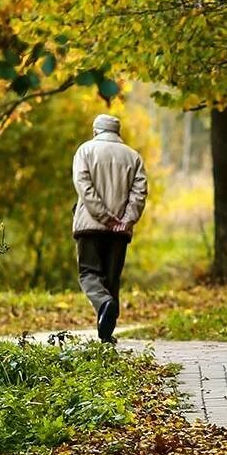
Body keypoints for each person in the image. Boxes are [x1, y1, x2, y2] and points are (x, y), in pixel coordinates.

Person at [72, 114, 148, 342]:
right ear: (117, 132)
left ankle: (104, 306)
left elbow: (84, 187)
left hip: (90, 226)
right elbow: (140, 192)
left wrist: (104, 217)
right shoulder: (134, 157)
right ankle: (106, 335)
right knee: (111, 279)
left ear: (96, 131)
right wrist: (126, 220)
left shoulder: (85, 151)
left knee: (89, 274)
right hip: (120, 231)